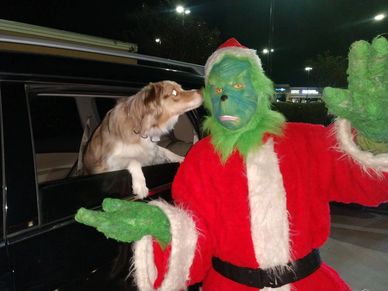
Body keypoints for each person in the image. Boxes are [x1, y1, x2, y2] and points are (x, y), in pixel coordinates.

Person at [76, 37, 388, 291]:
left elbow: (368, 185)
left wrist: (375, 140)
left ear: (260, 89)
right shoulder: (200, 160)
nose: (225, 97)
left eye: (238, 86)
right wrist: (164, 228)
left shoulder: (308, 141)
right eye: (218, 89)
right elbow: (197, 236)